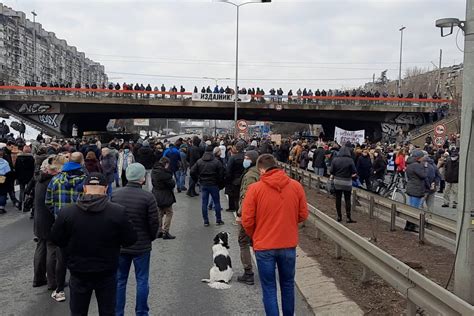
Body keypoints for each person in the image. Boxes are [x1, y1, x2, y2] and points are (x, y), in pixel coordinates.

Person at [50, 173, 137, 316]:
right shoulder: (117, 211)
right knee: (107, 311)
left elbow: (56, 238)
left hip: (78, 270)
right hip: (107, 270)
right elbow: (130, 239)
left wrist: (70, 248)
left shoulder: (67, 212)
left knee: (78, 311)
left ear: (84, 188)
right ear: (105, 189)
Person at [241, 154, 308, 316]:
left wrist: (256, 235)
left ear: (261, 169)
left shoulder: (255, 189)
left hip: (264, 246)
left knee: (269, 288)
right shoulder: (296, 186)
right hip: (288, 244)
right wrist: (288, 224)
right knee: (287, 285)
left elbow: (247, 220)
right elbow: (303, 215)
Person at [111, 163, 159, 316]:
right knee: (142, 280)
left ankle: (118, 312)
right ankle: (141, 312)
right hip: (141, 244)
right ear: (141, 178)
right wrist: (151, 237)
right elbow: (153, 222)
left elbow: (111, 219)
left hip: (120, 244)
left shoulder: (116, 194)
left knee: (120, 280)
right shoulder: (148, 196)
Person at [46, 152, 87, 302]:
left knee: (61, 259)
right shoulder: (85, 181)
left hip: (61, 223)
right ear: (81, 163)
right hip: (81, 223)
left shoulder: (55, 180)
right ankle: (82, 285)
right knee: (81, 256)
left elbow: (48, 202)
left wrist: (58, 214)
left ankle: (60, 290)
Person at [33, 155, 67, 289]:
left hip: (39, 219)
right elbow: (53, 203)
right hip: (49, 219)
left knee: (41, 248)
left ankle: (38, 278)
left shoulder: (40, 180)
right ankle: (53, 282)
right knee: (52, 250)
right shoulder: (53, 182)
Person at [236, 150, 260, 285]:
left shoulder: (250, 175)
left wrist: (241, 213)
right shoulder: (260, 172)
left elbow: (247, 197)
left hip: (250, 214)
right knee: (257, 242)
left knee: (243, 241)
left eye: (246, 157)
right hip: (261, 214)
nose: (243, 159)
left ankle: (248, 272)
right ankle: (264, 270)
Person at [190, 145, 225, 226]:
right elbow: (221, 174)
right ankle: (218, 220)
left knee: (204, 203)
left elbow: (192, 171)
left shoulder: (199, 161)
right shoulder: (216, 162)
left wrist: (197, 179)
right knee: (216, 202)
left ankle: (206, 221)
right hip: (214, 184)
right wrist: (220, 183)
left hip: (203, 184)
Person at [329, 146, 357, 223]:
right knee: (347, 199)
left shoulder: (335, 160)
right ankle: (348, 217)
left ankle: (339, 216)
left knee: (338, 199)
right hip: (347, 182)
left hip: (337, 181)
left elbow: (331, 171)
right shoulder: (350, 160)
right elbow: (354, 171)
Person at [151, 157, 177, 239]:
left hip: (156, 193)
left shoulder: (154, 171)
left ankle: (159, 230)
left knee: (159, 213)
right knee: (169, 212)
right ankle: (166, 232)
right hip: (165, 194)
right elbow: (172, 184)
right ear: (166, 164)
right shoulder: (165, 173)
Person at [225, 141, 245, 212]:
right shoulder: (246, 157)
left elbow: (228, 170)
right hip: (245, 178)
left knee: (236, 198)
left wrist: (228, 179)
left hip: (235, 180)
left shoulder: (233, 158)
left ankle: (238, 213)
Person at [15, 145, 35, 209]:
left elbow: (16, 168)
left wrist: (17, 177)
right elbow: (33, 168)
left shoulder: (18, 158)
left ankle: (20, 203)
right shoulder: (31, 158)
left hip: (21, 177)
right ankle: (26, 204)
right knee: (29, 190)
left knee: (22, 190)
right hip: (29, 177)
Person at [0, 149, 13, 214]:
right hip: (2, 178)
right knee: (2, 193)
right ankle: (1, 207)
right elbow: (8, 172)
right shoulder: (5, 162)